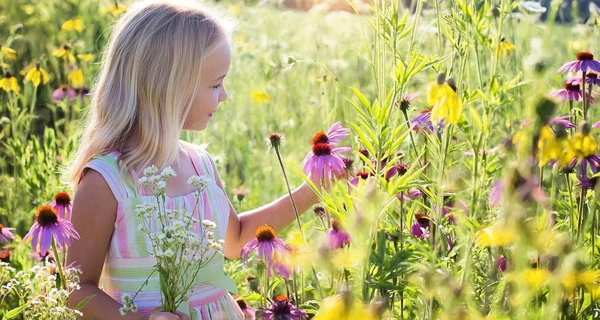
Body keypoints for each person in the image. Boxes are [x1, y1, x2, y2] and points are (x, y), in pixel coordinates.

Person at [64, 1, 321, 319]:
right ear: (168, 87)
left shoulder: (201, 163)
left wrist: (313, 189)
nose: (224, 95)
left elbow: (235, 240)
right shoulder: (107, 180)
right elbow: (77, 289)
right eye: (215, 84)